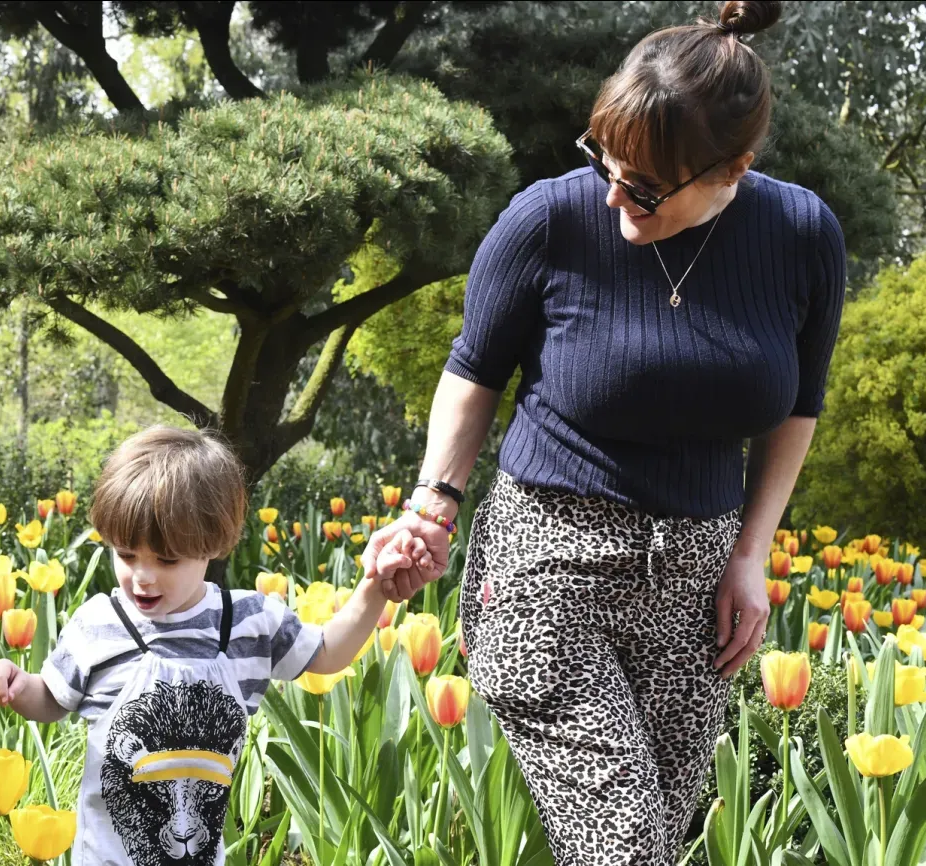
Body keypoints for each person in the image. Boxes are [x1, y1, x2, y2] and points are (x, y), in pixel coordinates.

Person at [361, 1, 846, 863]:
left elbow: (798, 405)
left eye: (649, 185)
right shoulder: (550, 218)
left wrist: (751, 553)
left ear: (733, 167)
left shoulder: (802, 235)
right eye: (606, 163)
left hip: (693, 589)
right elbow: (474, 371)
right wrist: (432, 507)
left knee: (653, 839)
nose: (616, 195)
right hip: (547, 567)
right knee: (624, 848)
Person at [0, 425, 422, 866]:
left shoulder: (248, 624)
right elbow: (53, 700)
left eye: (167, 559)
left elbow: (327, 654)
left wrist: (374, 589)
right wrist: (16, 686)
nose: (142, 576)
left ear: (214, 545)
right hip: (107, 857)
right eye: (126, 555)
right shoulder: (100, 622)